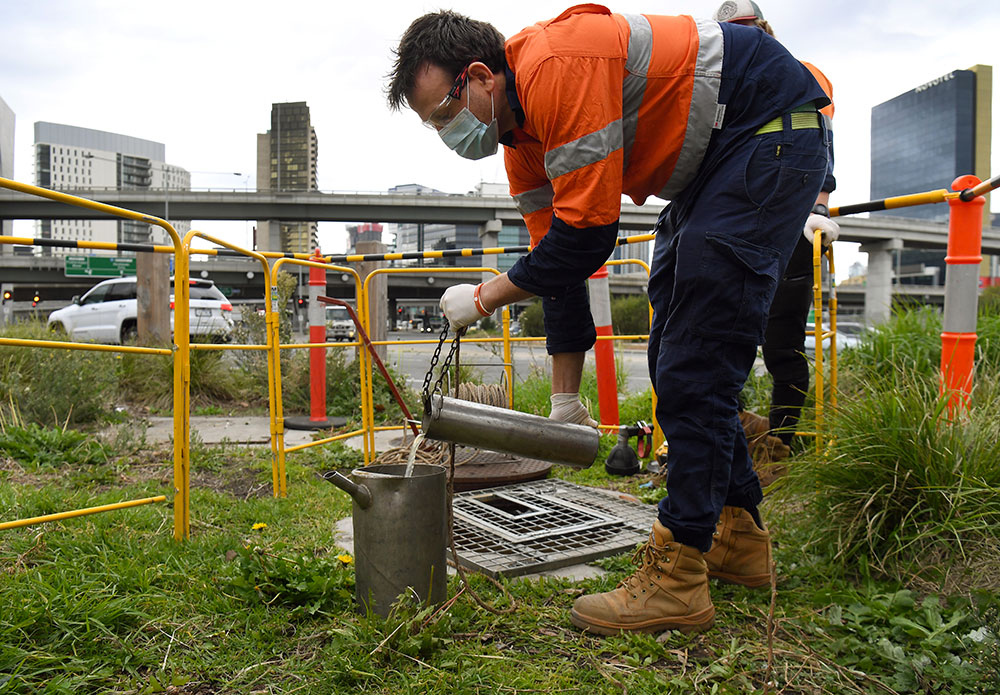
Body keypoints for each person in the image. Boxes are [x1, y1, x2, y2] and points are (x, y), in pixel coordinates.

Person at [387, 5, 830, 635]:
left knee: (697, 359)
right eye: (434, 125)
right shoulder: (523, 149)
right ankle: (739, 536)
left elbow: (589, 236)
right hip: (715, 168)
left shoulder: (558, 67)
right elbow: (558, 268)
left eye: (444, 113)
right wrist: (564, 403)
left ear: (481, 77)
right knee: (671, 353)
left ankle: (678, 575)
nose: (446, 132)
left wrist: (486, 297)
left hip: (768, 130)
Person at [714, 0, 841, 454]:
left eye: (748, 29)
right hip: (738, 221)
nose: (741, 39)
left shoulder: (802, 74)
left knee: (782, 343)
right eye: (733, 33)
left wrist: (820, 208)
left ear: (766, 29)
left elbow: (820, 138)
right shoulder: (721, 85)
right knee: (725, 337)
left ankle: (782, 443)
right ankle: (726, 434)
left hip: (791, 223)